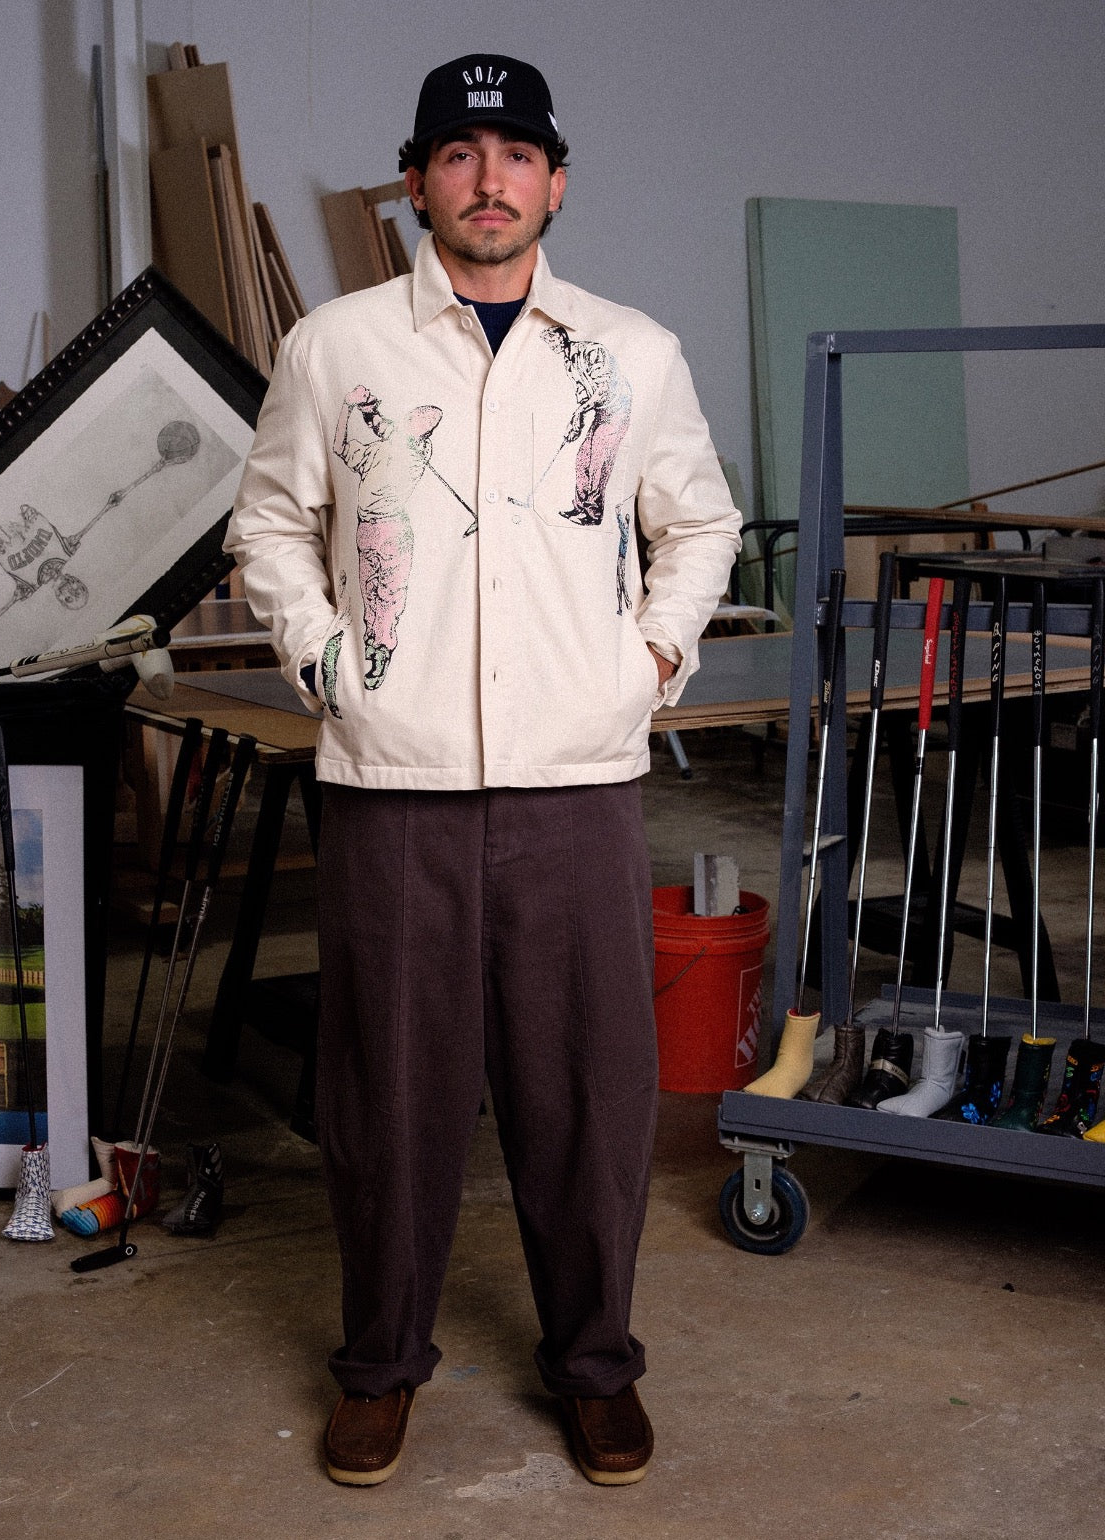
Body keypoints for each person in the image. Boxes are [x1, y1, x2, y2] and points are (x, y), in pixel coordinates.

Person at [225, 52, 741, 1489]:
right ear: (417, 184)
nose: (490, 177)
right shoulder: (338, 347)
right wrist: (332, 668)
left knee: (586, 1092)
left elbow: (702, 527)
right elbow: (270, 527)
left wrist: (646, 664)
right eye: (459, 153)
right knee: (388, 1094)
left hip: (577, 785)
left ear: (557, 183)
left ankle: (594, 1367)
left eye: (517, 153)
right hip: (395, 788)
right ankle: (382, 1366)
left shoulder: (629, 352)